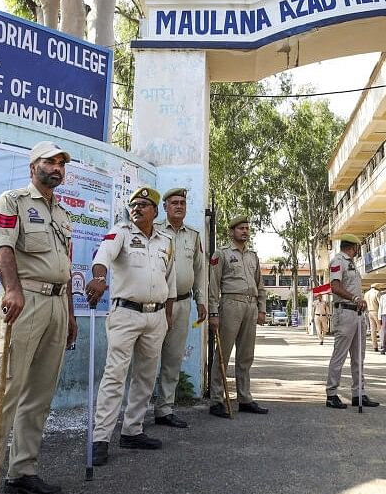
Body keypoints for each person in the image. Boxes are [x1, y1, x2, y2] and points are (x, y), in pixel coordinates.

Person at [0, 141, 78, 494]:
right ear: (33, 166)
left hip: (58, 305)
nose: (57, 168)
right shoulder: (12, 201)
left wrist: (71, 314)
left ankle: (23, 470)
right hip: (24, 300)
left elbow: (65, 266)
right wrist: (11, 289)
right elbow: (2, 247)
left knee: (39, 396)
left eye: (62, 163)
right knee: (5, 392)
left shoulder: (63, 215)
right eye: (50, 161)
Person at [85, 187, 175, 466]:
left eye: (144, 205)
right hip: (125, 314)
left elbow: (169, 282)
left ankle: (132, 430)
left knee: (146, 376)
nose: (137, 209)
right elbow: (103, 256)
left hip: (156, 316)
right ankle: (100, 438)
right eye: (133, 205)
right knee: (115, 375)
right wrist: (99, 279)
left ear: (155, 211)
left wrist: (168, 316)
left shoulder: (166, 241)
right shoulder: (121, 232)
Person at [151, 188, 208, 428]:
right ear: (164, 207)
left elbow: (199, 270)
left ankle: (164, 410)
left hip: (183, 304)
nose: (179, 206)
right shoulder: (153, 231)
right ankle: (137, 413)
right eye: (174, 202)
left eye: (183, 202)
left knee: (173, 358)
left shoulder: (194, 236)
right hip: (155, 305)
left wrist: (201, 300)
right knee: (148, 358)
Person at [208, 216, 269, 416]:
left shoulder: (253, 256)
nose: (245, 231)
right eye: (241, 228)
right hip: (230, 304)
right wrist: (213, 312)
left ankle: (245, 397)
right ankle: (217, 400)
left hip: (250, 306)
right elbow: (213, 285)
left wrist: (261, 308)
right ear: (232, 231)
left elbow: (259, 284)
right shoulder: (222, 254)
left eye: (247, 228)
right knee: (223, 354)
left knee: (246, 355)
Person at [325, 234, 379, 408]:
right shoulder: (337, 261)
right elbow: (335, 286)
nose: (358, 249)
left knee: (359, 356)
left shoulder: (351, 264)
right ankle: (332, 394)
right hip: (346, 312)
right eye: (358, 246)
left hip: (357, 313)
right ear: (353, 247)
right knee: (339, 355)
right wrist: (355, 298)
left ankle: (359, 393)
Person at [364, 283, 382, 352]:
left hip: (369, 311)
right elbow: (380, 303)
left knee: (372, 330)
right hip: (376, 311)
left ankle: (375, 346)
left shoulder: (366, 294)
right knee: (380, 328)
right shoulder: (377, 293)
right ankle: (382, 345)